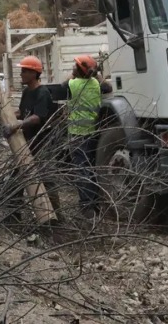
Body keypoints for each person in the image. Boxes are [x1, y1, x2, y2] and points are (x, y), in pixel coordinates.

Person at [3, 55, 64, 209]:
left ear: (33, 73)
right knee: (15, 177)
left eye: (24, 71)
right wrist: (7, 115)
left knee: (46, 178)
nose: (21, 74)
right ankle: (14, 213)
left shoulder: (42, 93)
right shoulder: (26, 92)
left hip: (42, 143)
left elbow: (37, 117)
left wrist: (17, 125)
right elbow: (23, 112)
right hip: (27, 142)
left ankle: (55, 215)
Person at [63, 54, 104, 217]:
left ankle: (86, 206)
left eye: (75, 66)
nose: (73, 67)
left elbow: (62, 86)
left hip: (77, 134)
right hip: (93, 133)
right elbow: (106, 86)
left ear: (79, 70)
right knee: (92, 169)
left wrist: (73, 75)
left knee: (82, 170)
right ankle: (95, 204)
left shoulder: (73, 85)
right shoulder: (95, 84)